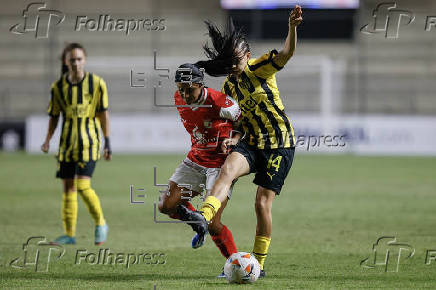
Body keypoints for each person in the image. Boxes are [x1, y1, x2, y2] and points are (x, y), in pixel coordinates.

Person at [179, 5, 303, 278]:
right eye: (230, 56)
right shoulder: (228, 87)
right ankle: (205, 217)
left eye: (237, 55)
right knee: (227, 170)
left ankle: (258, 263)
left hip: (279, 143)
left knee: (261, 203)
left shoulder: (259, 68)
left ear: (247, 55)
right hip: (252, 142)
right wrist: (232, 138)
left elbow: (286, 53)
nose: (233, 60)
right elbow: (236, 121)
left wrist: (292, 27)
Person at [158, 63, 241, 277]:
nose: (184, 94)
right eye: (180, 89)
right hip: (195, 160)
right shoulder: (178, 99)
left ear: (200, 85)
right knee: (166, 205)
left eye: (189, 89)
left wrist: (234, 139)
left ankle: (236, 265)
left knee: (213, 224)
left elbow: (246, 123)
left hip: (220, 166)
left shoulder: (220, 102)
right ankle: (197, 222)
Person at [41, 42, 111, 245]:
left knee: (82, 185)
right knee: (68, 188)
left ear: (85, 60)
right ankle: (69, 234)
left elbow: (103, 115)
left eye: (79, 59)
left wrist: (108, 142)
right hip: (66, 145)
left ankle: (101, 223)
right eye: (72, 60)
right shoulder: (58, 87)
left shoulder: (97, 83)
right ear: (66, 61)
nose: (76, 63)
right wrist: (47, 140)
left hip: (89, 144)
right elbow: (54, 116)